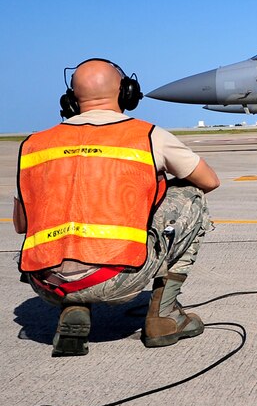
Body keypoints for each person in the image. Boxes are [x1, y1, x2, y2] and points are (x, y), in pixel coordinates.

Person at [13, 58, 220, 356]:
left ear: (71, 99)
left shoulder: (33, 145)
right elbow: (209, 180)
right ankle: (164, 316)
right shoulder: (147, 136)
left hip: (46, 283)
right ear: (127, 92)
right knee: (191, 194)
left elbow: (22, 225)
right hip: (118, 279)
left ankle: (75, 305)